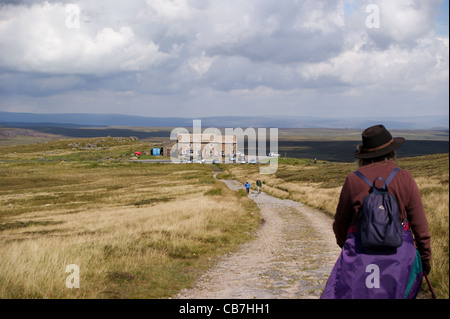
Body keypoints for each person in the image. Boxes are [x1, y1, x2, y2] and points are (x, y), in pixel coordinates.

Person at [321, 124, 431, 299]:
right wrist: (424, 261)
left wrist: (348, 247)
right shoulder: (405, 177)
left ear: (365, 154)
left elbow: (340, 224)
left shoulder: (353, 179)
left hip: (360, 255)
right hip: (400, 257)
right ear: (391, 151)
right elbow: (421, 228)